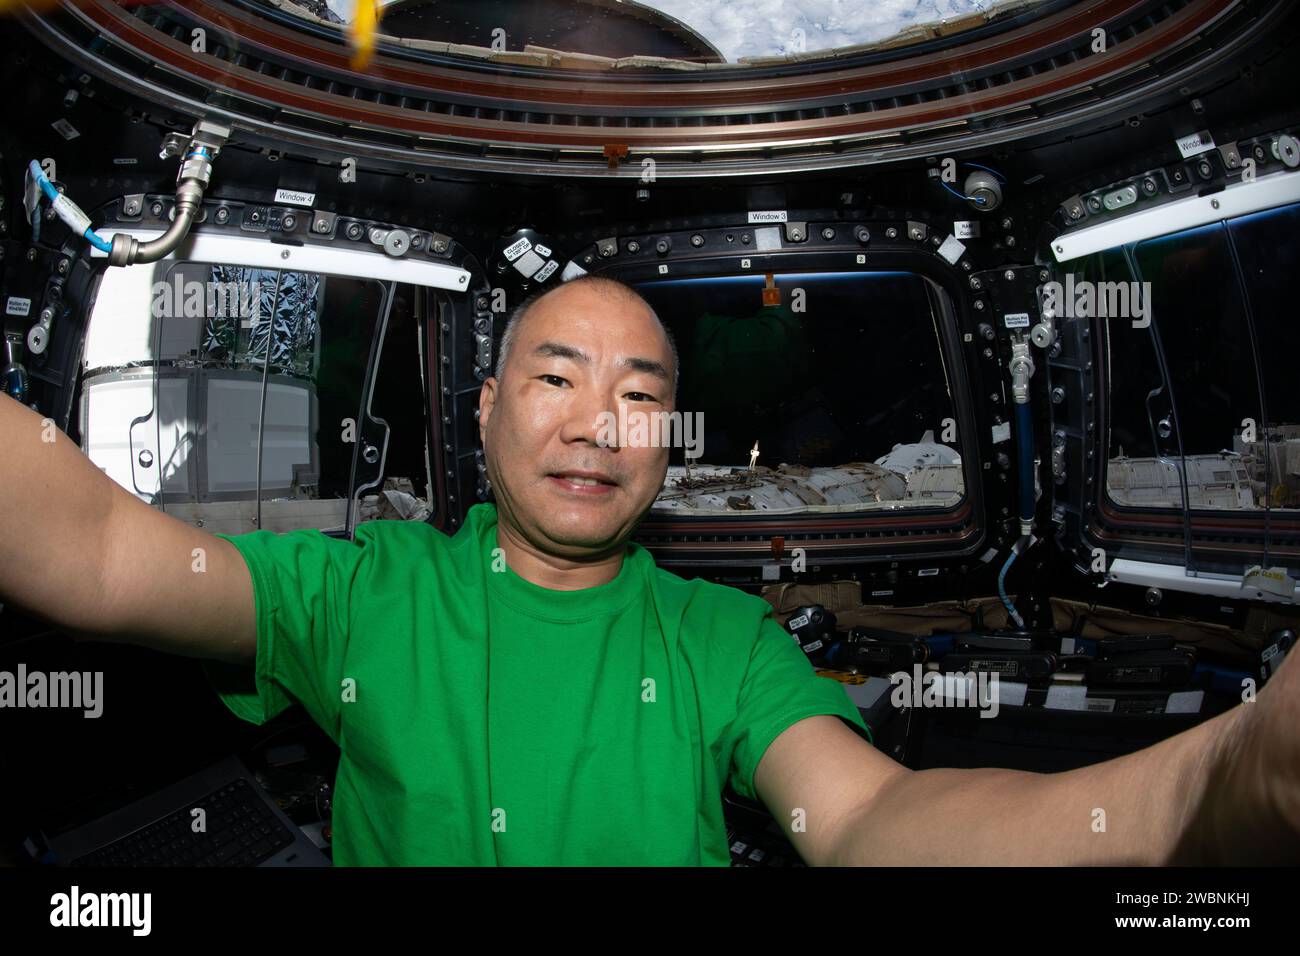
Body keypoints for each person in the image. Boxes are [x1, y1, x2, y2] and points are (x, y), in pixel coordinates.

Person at [1, 275, 1296, 865]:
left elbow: (862, 821)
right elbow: (107, 549)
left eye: (639, 396)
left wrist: (1214, 782)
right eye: (557, 379)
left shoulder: (721, 639)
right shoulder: (360, 592)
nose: (595, 425)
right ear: (493, 401)